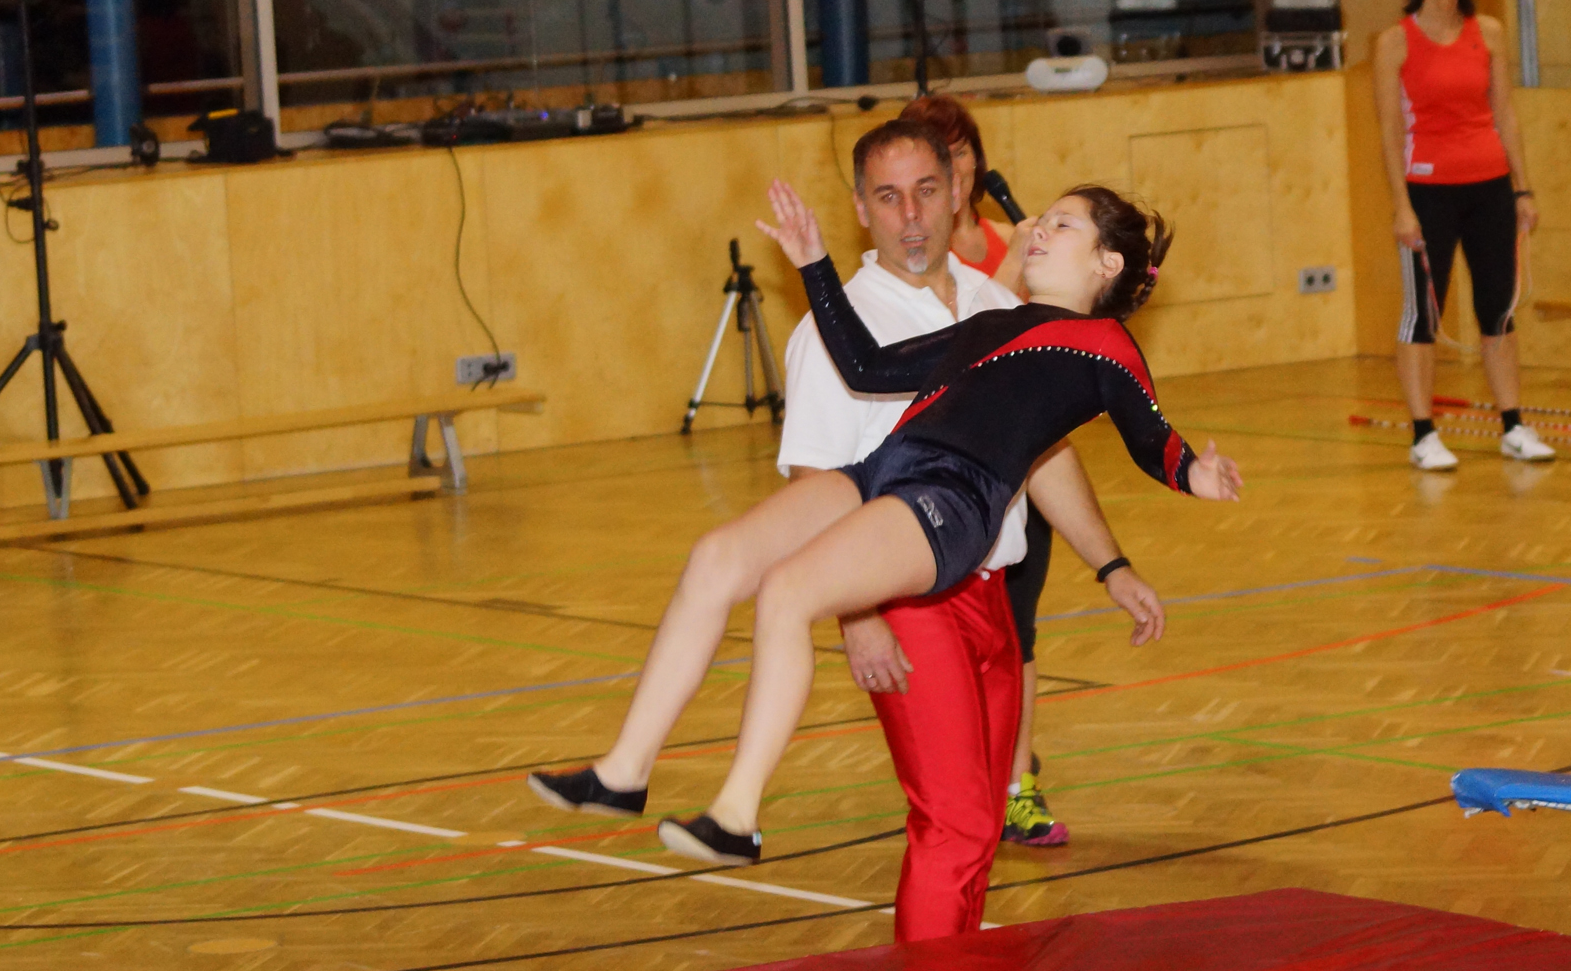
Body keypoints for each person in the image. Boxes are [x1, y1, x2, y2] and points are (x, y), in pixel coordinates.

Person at [528, 180, 1242, 867]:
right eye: (1044, 218)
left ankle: (736, 817)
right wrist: (814, 264)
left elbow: (1150, 433)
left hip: (954, 501)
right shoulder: (990, 324)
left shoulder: (1103, 344)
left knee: (788, 592)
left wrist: (1194, 473)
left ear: (1107, 264)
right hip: (885, 470)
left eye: (1064, 224)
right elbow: (865, 368)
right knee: (716, 558)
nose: (1039, 229)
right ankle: (623, 772)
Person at [774, 117, 1158, 936]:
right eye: (888, 197)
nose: (910, 215)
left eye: (926, 190)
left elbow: (1043, 454)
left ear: (957, 194)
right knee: (951, 825)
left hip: (993, 599)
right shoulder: (834, 329)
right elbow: (813, 488)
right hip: (909, 604)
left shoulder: (1003, 307)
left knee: (981, 825)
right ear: (860, 210)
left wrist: (1111, 564)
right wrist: (859, 616)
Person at [898, 92, 1067, 846]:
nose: (953, 165)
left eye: (959, 149)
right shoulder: (924, 263)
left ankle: (1018, 783)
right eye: (937, 153)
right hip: (949, 479)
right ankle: (967, 780)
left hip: (1025, 468)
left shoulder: (1016, 240)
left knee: (1017, 634)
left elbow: (1056, 346)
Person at [1370, 0, 1554, 471]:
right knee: (1422, 315)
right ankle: (1423, 433)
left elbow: (1505, 113)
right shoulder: (1395, 41)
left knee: (1498, 308)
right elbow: (1389, 131)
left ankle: (1513, 425)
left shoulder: (1488, 32)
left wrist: (1522, 188)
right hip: (1428, 192)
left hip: (1490, 187)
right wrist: (1402, 206)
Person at [900, 92, 1031, 287]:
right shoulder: (914, 253)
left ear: (976, 159)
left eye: (960, 153)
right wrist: (1013, 261)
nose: (953, 169)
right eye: (940, 157)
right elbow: (974, 309)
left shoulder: (1009, 236)